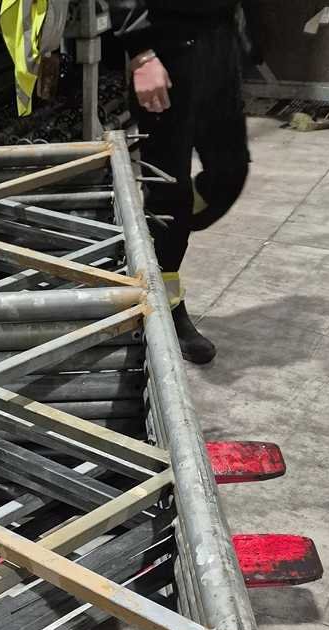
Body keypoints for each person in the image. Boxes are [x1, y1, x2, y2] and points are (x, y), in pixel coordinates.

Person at [110, 0, 252, 363]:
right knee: (168, 191)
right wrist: (141, 53)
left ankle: (147, 242)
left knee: (230, 172)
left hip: (220, 41)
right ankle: (166, 304)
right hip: (167, 47)